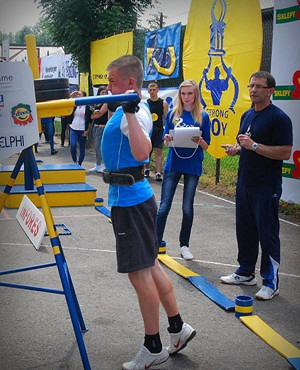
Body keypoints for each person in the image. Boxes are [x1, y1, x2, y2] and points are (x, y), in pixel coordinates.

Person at [101, 55, 196, 370]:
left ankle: (153, 346)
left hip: (130, 201)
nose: (107, 85)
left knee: (138, 272)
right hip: (131, 198)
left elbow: (142, 152)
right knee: (151, 266)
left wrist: (127, 112)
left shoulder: (136, 111)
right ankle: (177, 328)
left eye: (112, 81)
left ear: (129, 83)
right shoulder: (127, 108)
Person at [220, 71, 293, 300]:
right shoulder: (247, 114)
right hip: (245, 183)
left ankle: (271, 282)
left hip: (266, 186)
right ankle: (245, 272)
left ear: (270, 91)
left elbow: (285, 151)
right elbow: (245, 143)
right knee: (245, 230)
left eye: (259, 86)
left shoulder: (279, 118)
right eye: (251, 85)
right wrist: (237, 149)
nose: (253, 90)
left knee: (268, 233)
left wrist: (253, 146)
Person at [156, 80, 211, 261]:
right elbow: (166, 140)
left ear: (196, 95)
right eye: (183, 94)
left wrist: (199, 141)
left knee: (187, 207)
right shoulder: (173, 113)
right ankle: (155, 243)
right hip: (173, 164)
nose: (186, 97)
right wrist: (166, 139)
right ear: (179, 95)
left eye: (190, 93)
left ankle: (184, 245)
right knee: (164, 206)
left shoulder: (203, 116)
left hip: (192, 165)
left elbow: (207, 145)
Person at [144, 82, 169, 181]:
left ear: (157, 90)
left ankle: (158, 172)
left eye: (154, 90)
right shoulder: (146, 103)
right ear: (148, 91)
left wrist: (166, 130)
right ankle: (147, 169)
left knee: (158, 150)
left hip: (158, 129)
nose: (153, 92)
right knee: (147, 150)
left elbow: (166, 117)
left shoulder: (163, 103)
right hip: (148, 129)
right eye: (151, 90)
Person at [68, 90, 92, 166]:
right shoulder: (74, 104)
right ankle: (74, 161)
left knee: (82, 147)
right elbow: (66, 101)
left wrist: (87, 131)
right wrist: (73, 94)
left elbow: (89, 120)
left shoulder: (87, 107)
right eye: (77, 94)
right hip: (73, 127)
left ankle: (79, 163)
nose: (78, 96)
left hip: (82, 129)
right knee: (73, 145)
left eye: (79, 94)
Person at [89, 85, 108, 173]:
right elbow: (92, 115)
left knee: (101, 146)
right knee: (96, 146)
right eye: (102, 92)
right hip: (95, 126)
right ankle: (97, 164)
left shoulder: (106, 103)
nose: (104, 94)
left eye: (105, 92)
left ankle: (104, 164)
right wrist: (93, 115)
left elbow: (99, 113)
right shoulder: (97, 103)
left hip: (102, 126)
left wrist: (93, 115)